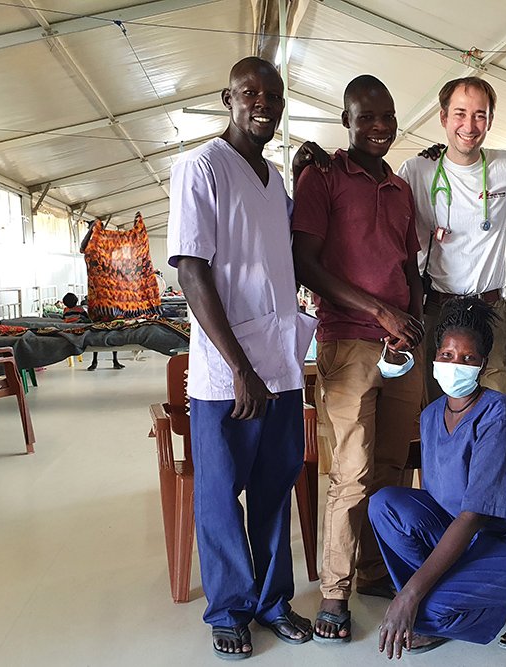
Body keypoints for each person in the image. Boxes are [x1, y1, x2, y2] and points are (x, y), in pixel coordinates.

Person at [167, 56, 313, 660]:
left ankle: (274, 600)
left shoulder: (276, 178)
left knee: (276, 488)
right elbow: (193, 273)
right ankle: (228, 608)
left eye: (273, 96)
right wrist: (240, 369)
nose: (263, 104)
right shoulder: (201, 167)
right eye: (250, 94)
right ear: (226, 98)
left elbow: (276, 264)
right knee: (221, 494)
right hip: (228, 378)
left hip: (280, 365)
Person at [292, 74, 425, 643]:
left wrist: (410, 325)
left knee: (392, 469)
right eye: (366, 117)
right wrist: (379, 313)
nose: (379, 127)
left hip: (401, 346)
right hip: (347, 343)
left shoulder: (399, 189)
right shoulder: (321, 178)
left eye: (387, 117)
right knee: (351, 473)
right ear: (346, 121)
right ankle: (334, 591)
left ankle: (375, 570)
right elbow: (307, 264)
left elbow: (410, 268)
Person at [369, 296, 506, 658]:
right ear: (435, 357)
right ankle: (456, 597)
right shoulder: (433, 415)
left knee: (426, 609)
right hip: (481, 538)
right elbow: (440, 500)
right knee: (385, 504)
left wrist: (411, 593)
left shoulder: (500, 415)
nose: (455, 365)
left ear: (482, 365)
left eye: (468, 358)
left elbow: (474, 513)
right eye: (448, 355)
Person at [397, 77, 506, 401]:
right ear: (443, 118)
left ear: (490, 120)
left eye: (479, 115)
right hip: (438, 310)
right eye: (459, 114)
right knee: (443, 408)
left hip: (492, 311)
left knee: (501, 411)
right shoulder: (416, 171)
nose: (469, 126)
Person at [61, 292, 124, 370]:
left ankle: (100, 361)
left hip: (105, 318)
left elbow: (64, 318)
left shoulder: (66, 310)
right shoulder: (82, 308)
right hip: (99, 319)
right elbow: (87, 317)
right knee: (101, 336)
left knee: (108, 335)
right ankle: (107, 361)